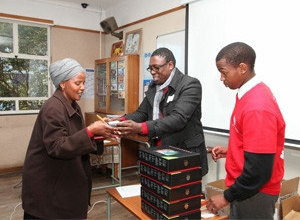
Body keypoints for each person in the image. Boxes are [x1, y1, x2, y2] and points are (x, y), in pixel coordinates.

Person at [22, 58, 117, 219]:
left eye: (83, 83)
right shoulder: (53, 107)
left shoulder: (73, 105)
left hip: (63, 183)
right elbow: (57, 146)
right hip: (48, 188)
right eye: (78, 83)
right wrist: (90, 131)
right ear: (62, 84)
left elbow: (75, 139)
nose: (82, 88)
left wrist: (99, 134)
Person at [206, 42, 285, 219]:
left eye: (224, 72)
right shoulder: (249, 95)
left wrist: (226, 197)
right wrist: (233, 151)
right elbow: (257, 144)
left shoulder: (257, 106)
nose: (221, 78)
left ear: (242, 68)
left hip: (255, 193)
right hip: (248, 189)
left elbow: (258, 171)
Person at [112, 47, 208, 176]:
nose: (152, 72)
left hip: (184, 151)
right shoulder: (154, 87)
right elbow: (142, 113)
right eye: (150, 68)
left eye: (156, 67)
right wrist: (120, 120)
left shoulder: (190, 85)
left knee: (182, 192)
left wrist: (141, 127)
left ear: (170, 65)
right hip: (159, 149)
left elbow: (178, 119)